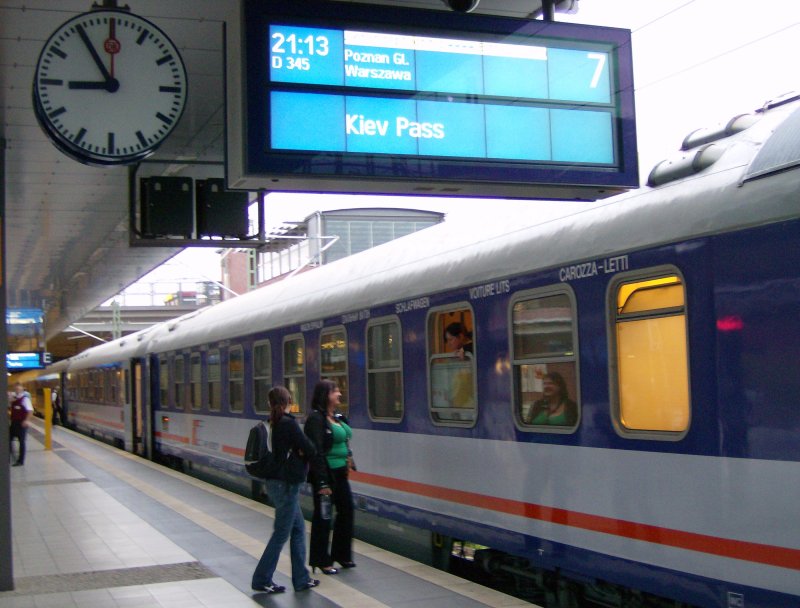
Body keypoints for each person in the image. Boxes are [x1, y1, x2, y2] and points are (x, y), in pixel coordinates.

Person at [251, 386, 320, 594]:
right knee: (281, 533)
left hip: (277, 483)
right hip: (286, 485)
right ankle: (262, 578)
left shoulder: (273, 422)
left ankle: (301, 579)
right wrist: (302, 450)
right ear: (288, 401)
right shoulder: (288, 424)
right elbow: (311, 449)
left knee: (297, 529)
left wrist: (300, 449)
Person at [304, 380, 356, 574]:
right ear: (326, 395)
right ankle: (321, 560)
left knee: (347, 511)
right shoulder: (315, 420)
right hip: (325, 475)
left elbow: (345, 439)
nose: (339, 394)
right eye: (335, 391)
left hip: (341, 473)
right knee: (323, 517)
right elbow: (316, 452)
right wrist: (322, 481)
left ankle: (342, 555)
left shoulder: (338, 417)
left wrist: (349, 457)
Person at [9, 382, 33, 466]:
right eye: (16, 389)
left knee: (22, 442)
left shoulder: (25, 399)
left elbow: (30, 411)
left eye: (18, 388)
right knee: (8, 439)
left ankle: (20, 461)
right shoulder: (14, 399)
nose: (17, 390)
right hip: (14, 422)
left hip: (22, 423)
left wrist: (26, 420)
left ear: (22, 389)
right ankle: (10, 456)